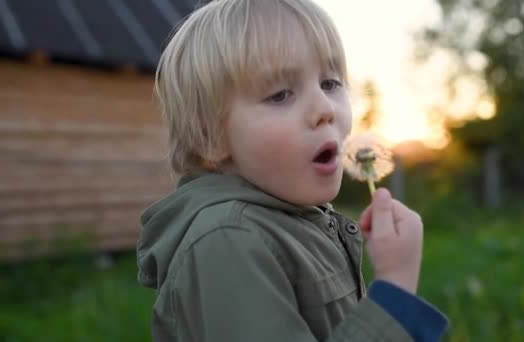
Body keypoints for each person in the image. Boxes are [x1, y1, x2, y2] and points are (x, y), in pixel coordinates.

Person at [136, 0, 449, 341]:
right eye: (281, 94)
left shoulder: (294, 222)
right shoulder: (227, 242)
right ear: (210, 136)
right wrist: (395, 289)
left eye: (330, 83)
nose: (324, 108)